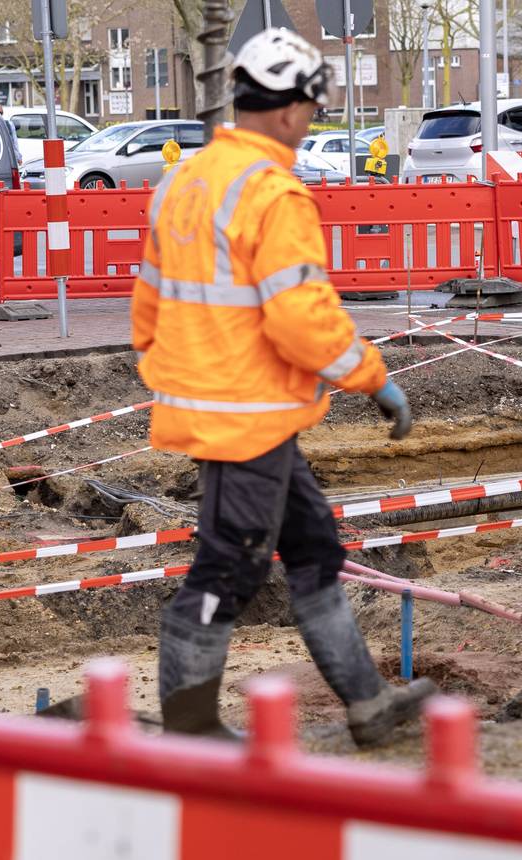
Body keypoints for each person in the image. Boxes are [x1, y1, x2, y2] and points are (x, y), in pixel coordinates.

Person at [130, 28, 436, 745]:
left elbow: (147, 309)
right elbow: (301, 321)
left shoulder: (184, 181)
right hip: (249, 413)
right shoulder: (272, 193)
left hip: (224, 406)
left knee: (314, 548)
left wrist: (189, 373)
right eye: (311, 111)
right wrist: (372, 377)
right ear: (294, 109)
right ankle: (190, 732)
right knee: (227, 567)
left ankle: (369, 705)